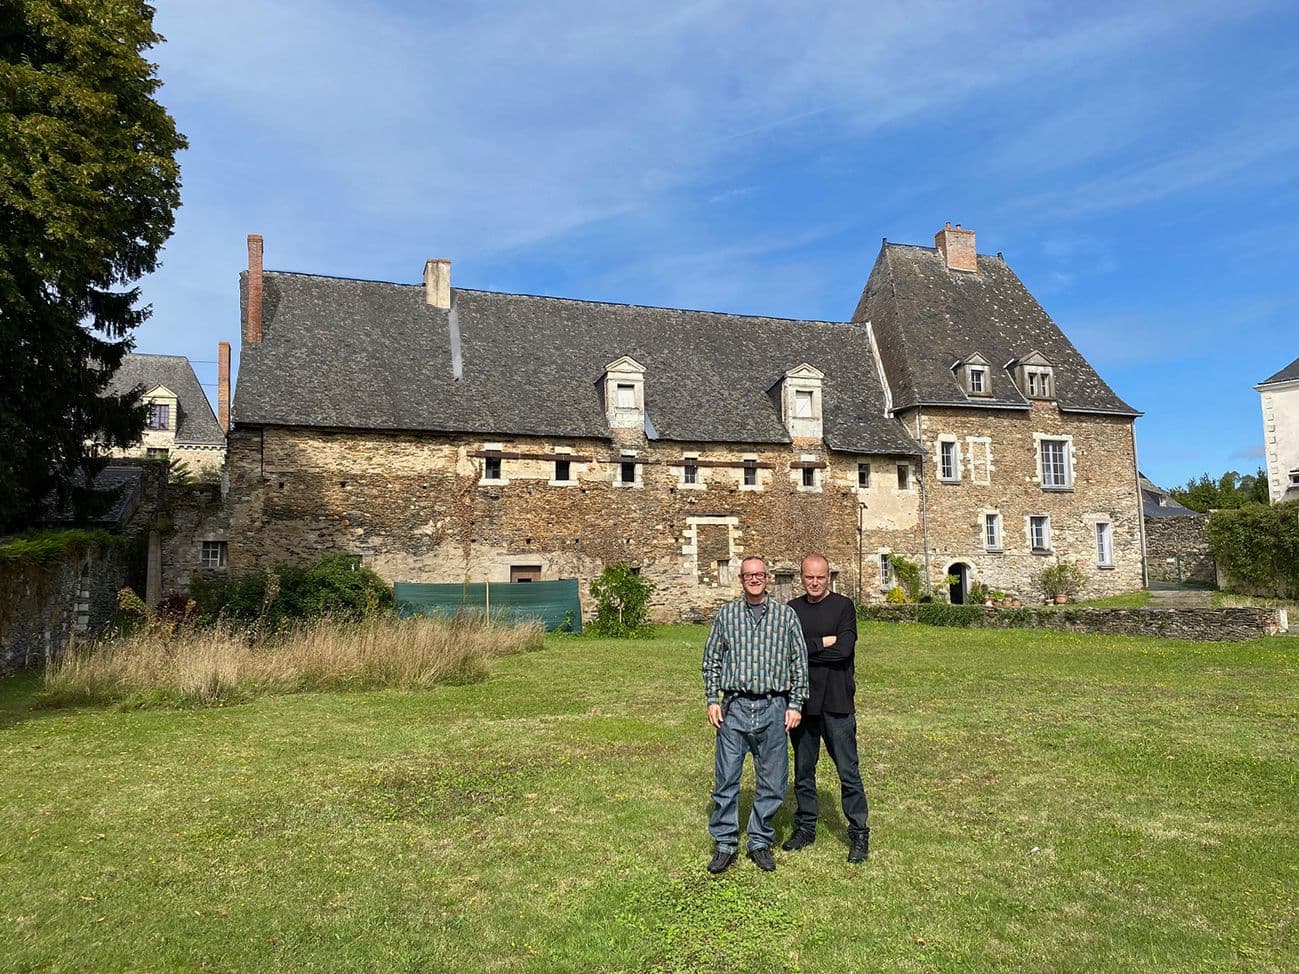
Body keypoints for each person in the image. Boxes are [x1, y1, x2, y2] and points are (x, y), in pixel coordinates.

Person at [702, 555, 808, 874]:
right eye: (749, 575)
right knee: (726, 779)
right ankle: (725, 843)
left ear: (768, 578)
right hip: (733, 707)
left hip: (774, 707)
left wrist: (795, 704)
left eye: (759, 574)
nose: (754, 579)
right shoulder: (728, 615)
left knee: (773, 781)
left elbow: (799, 664)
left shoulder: (786, 617)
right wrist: (712, 698)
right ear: (741, 579)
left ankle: (759, 840)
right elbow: (712, 660)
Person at [783, 553, 871, 862]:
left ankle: (859, 833)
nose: (815, 582)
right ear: (802, 577)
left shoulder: (843, 607)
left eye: (820, 577)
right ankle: (805, 827)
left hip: (837, 702)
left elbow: (844, 652)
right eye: (810, 577)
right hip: (803, 704)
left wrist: (807, 649)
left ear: (828, 577)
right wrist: (824, 642)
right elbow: (787, 654)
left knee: (848, 771)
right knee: (804, 771)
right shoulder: (791, 610)